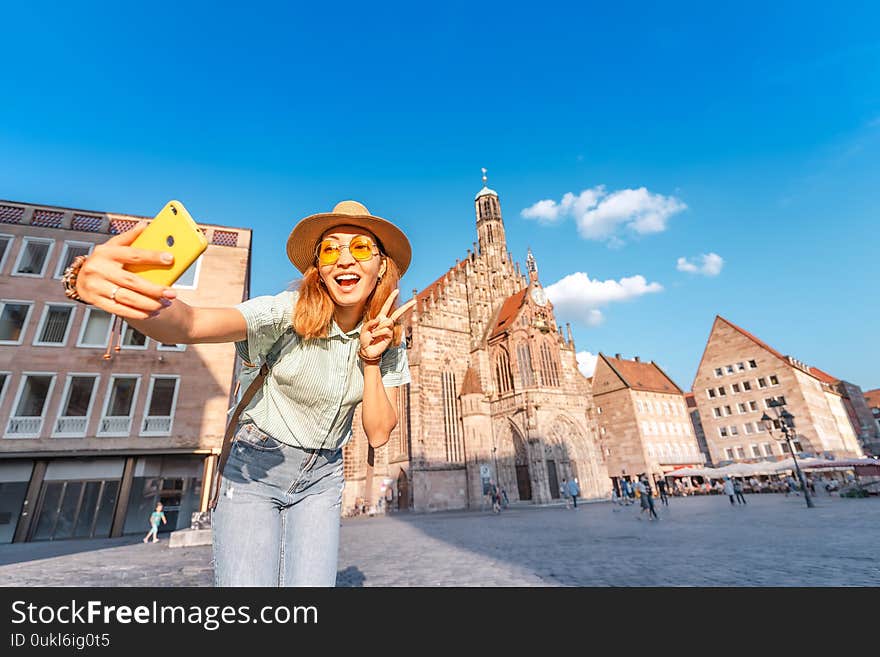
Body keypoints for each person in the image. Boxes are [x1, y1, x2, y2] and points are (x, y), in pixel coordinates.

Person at [71, 200, 414, 587]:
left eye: (361, 248)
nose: (345, 259)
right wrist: (104, 286)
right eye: (331, 249)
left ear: (382, 264)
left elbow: (380, 432)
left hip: (323, 479)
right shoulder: (287, 313)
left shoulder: (388, 339)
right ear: (318, 267)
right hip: (256, 468)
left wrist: (370, 359)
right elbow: (191, 323)